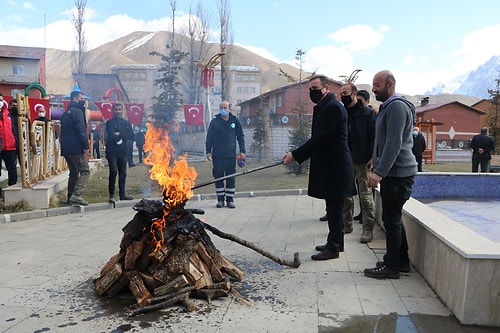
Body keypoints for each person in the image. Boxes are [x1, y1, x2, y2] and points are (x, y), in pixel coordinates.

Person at [283, 75, 356, 261]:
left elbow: (320, 139)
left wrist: (295, 155)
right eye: (310, 89)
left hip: (336, 166)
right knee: (334, 208)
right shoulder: (328, 106)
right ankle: (336, 243)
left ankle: (333, 248)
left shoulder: (332, 108)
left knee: (335, 207)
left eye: (315, 88)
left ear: (326, 89)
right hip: (332, 165)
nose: (312, 92)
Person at [363, 70, 417, 279]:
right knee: (393, 217)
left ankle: (391, 266)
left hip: (397, 174)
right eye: (373, 85)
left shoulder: (396, 107)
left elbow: (394, 144)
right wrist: (375, 160)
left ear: (390, 85)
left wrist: (380, 172)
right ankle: (400, 261)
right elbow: (384, 142)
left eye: (377, 85)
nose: (374, 89)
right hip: (394, 173)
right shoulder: (391, 107)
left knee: (391, 219)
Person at [340, 82, 377, 243]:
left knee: (365, 196)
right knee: (346, 196)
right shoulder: (342, 112)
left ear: (354, 94)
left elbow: (375, 137)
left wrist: (373, 157)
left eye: (346, 93)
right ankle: (346, 225)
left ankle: (368, 229)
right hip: (345, 160)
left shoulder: (368, 113)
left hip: (363, 161)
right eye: (341, 94)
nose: (343, 97)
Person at [205, 100, 245, 209]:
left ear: (229, 109)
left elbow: (240, 137)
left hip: (231, 156)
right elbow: (209, 138)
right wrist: (208, 151)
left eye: (225, 107)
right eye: (221, 107)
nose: (223, 109)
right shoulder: (214, 122)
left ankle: (230, 200)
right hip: (217, 156)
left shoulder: (234, 121)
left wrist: (242, 151)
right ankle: (220, 200)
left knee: (230, 177)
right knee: (218, 178)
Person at [60, 91, 90, 206]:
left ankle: (70, 196)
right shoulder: (77, 112)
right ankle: (77, 195)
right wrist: (85, 146)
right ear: (76, 99)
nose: (83, 101)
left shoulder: (66, 112)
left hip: (66, 148)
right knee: (85, 171)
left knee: (74, 172)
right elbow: (81, 131)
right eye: (82, 98)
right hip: (76, 147)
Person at [104, 103, 135, 202]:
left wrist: (120, 134)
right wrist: (122, 135)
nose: (118, 111)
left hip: (123, 151)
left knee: (123, 174)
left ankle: (122, 195)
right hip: (112, 151)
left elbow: (131, 136)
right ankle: (111, 195)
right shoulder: (109, 123)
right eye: (116, 110)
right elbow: (112, 136)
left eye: (119, 109)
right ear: (113, 111)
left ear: (122, 111)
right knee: (113, 172)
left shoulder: (126, 123)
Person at [0, 94, 19, 186]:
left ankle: (12, 190)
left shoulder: (7, 114)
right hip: (1, 147)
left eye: (1, 100)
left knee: (12, 171)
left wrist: (14, 140)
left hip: (10, 147)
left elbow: (13, 129)